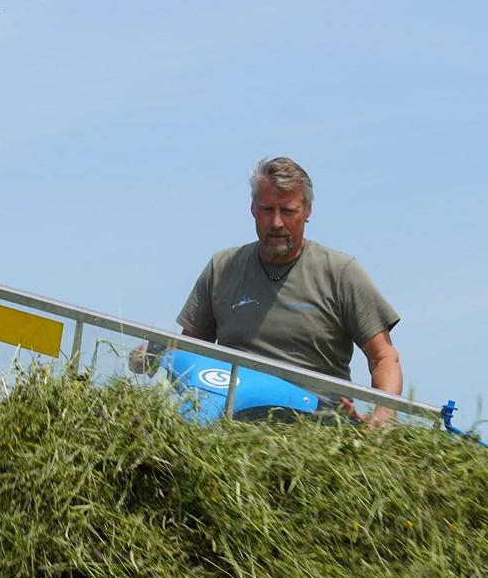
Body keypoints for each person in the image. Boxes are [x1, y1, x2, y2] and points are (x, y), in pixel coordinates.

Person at [169, 156, 403, 426]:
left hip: (317, 431)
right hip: (234, 431)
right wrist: (157, 351)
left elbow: (384, 356)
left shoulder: (340, 272)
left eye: (288, 211)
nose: (277, 222)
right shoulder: (222, 269)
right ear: (252, 209)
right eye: (267, 209)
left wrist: (384, 413)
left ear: (307, 211)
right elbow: (191, 351)